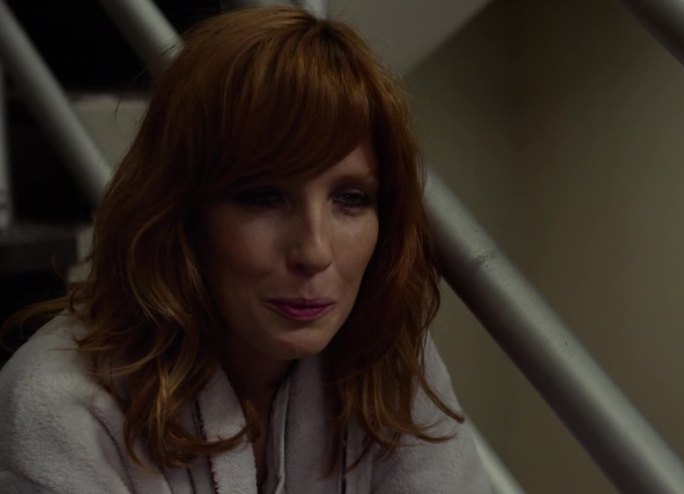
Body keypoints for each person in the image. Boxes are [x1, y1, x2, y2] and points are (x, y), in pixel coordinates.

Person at [0, 5, 491, 494]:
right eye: (263, 197)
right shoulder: (60, 406)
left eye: (351, 199)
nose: (314, 252)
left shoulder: (385, 352)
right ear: (181, 211)